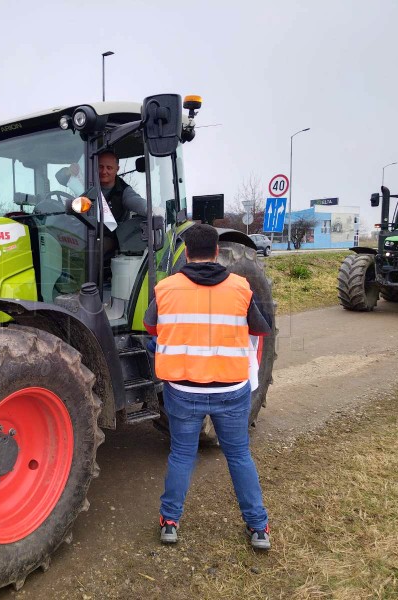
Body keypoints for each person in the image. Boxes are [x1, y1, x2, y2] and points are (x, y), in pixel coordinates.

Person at [143, 223, 273, 549]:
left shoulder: (167, 288)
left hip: (183, 391)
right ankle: (258, 528)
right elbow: (260, 329)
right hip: (231, 390)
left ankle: (170, 523)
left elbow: (150, 325)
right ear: (217, 252)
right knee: (239, 455)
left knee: (182, 456)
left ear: (186, 252)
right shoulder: (241, 287)